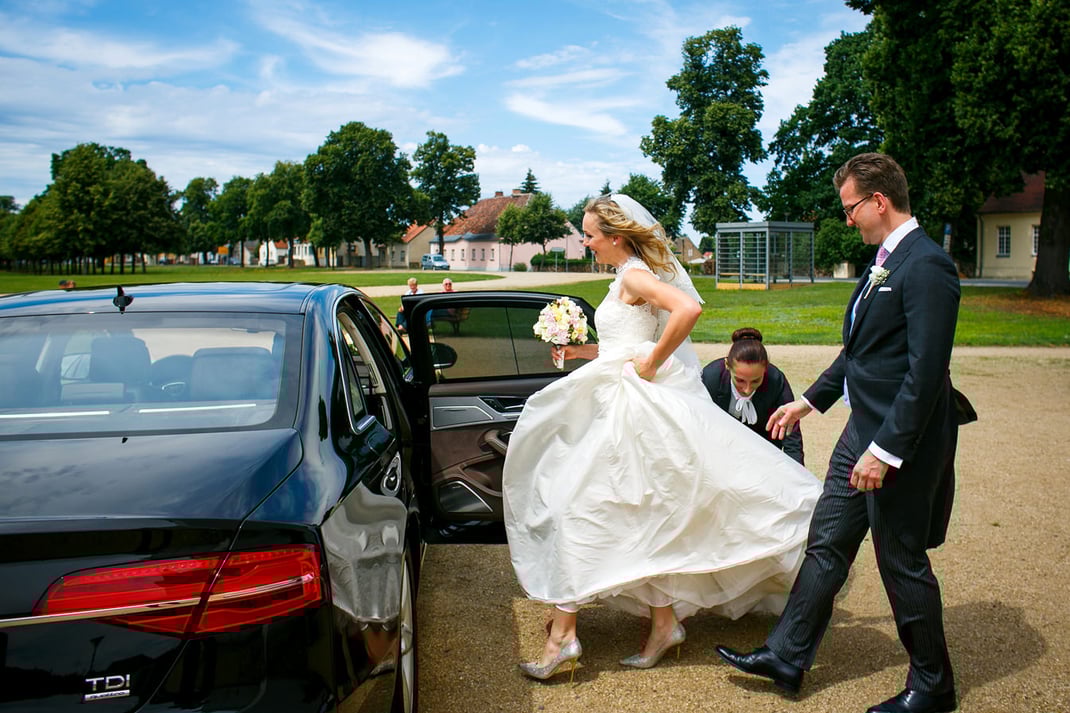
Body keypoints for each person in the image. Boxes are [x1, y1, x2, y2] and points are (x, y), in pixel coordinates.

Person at [502, 194, 821, 682]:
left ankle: (564, 636)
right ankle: (664, 623)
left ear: (614, 236)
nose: (585, 242)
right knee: (642, 513)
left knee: (572, 506)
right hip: (616, 395)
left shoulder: (632, 273)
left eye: (589, 234)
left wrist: (651, 363)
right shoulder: (624, 277)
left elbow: (687, 308)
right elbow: (622, 343)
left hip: (632, 405)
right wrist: (579, 349)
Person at [715, 153, 971, 713]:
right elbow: (860, 354)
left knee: (900, 559)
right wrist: (808, 401)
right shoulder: (882, 262)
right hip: (863, 430)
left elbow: (925, 374)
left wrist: (886, 451)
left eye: (851, 208)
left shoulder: (927, 266)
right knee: (827, 540)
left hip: (901, 442)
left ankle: (933, 686)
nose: (847, 219)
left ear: (879, 201)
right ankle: (787, 654)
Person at [701, 327, 804, 464]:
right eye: (740, 380)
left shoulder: (776, 381)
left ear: (765, 368)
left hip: (764, 449)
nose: (747, 389)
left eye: (756, 380)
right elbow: (698, 425)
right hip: (719, 448)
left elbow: (791, 435)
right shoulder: (710, 378)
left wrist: (797, 475)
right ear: (727, 365)